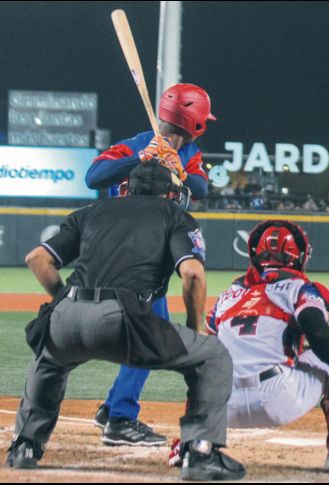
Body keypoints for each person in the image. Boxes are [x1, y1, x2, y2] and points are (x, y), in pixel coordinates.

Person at [6, 161, 245, 481]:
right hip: (123, 319)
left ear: (125, 188)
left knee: (48, 360)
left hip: (68, 314)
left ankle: (25, 445)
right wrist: (195, 326)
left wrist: (64, 300)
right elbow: (192, 274)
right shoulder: (174, 215)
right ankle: (200, 453)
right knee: (213, 355)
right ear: (171, 193)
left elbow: (38, 259)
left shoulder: (91, 211)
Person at [168, 220, 329, 474]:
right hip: (277, 398)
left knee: (205, 364)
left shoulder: (229, 295)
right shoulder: (298, 287)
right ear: (299, 257)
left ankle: (190, 445)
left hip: (223, 406)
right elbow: (316, 328)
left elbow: (205, 350)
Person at [84, 83, 215, 446]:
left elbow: (202, 189)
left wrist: (178, 168)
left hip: (149, 250)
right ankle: (121, 418)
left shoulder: (188, 151)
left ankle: (112, 409)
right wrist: (140, 158)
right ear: (197, 120)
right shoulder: (135, 143)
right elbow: (93, 177)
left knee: (150, 327)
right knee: (151, 333)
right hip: (127, 249)